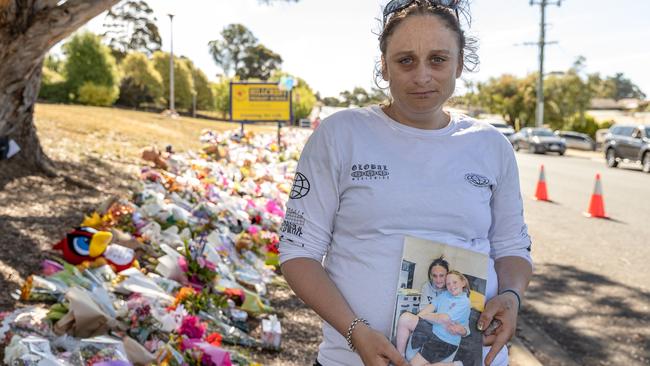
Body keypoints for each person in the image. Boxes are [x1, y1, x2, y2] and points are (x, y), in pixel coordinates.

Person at [279, 1, 533, 365]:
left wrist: (512, 296)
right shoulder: (340, 135)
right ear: (384, 66)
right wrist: (355, 332)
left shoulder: (492, 146)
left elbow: (512, 247)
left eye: (438, 59)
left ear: (459, 64)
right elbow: (298, 252)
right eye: (406, 60)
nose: (423, 76)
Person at [397, 270, 471, 365]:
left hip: (445, 341)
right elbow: (425, 312)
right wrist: (420, 320)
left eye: (455, 282)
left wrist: (426, 316)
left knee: (413, 364)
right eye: (448, 284)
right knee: (405, 317)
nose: (451, 286)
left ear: (463, 283)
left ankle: (454, 365)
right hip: (432, 329)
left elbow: (443, 318)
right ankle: (400, 357)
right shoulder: (445, 294)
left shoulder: (464, 302)